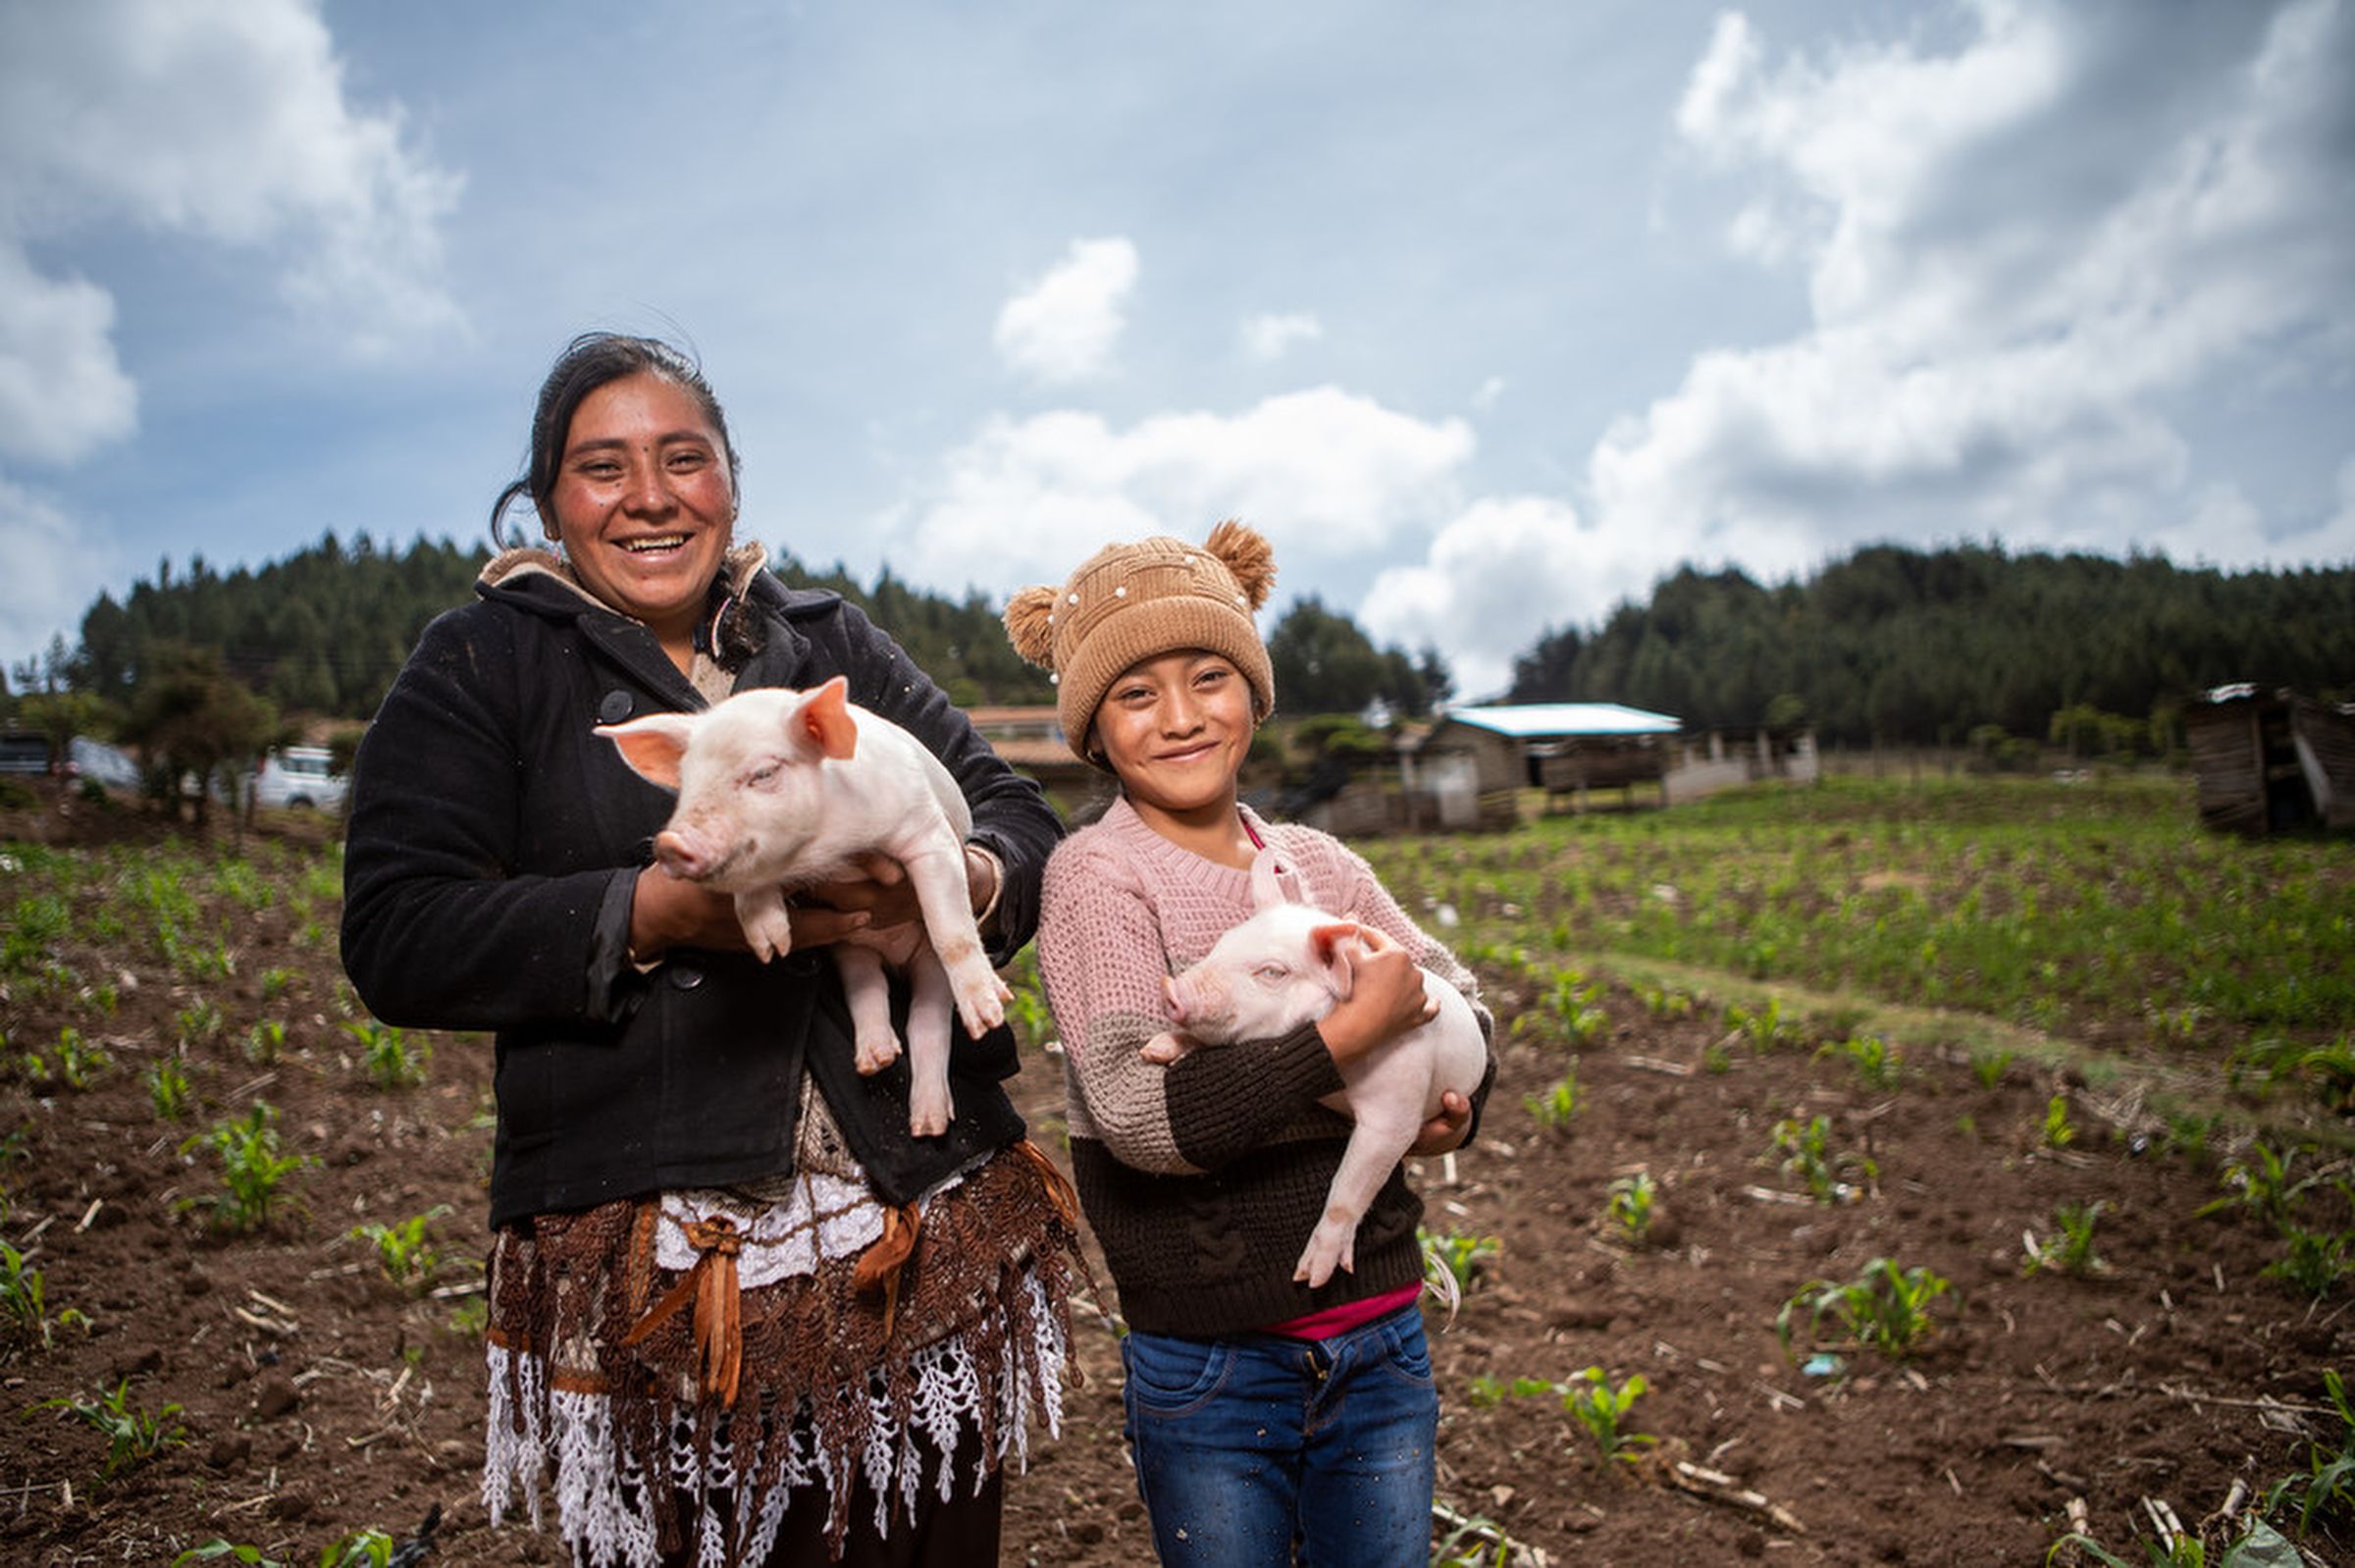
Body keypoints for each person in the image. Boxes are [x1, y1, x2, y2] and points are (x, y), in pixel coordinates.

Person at [340, 333, 1085, 1567]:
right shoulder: (485, 661)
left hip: (906, 1195)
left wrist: (957, 886)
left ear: (729, 483)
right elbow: (396, 929)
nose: (649, 495)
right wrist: (645, 912)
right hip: (663, 1229)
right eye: (602, 467)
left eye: (683, 459)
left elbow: (1011, 811)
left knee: (932, 1539)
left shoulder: (823, 643)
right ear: (547, 501)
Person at [1002, 522, 1496, 1566]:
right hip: (1212, 1356)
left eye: (1209, 677)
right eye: (1136, 694)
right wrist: (1349, 1039)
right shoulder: (1098, 879)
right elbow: (1142, 1119)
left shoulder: (1318, 863)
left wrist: (1449, 1108)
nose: (1181, 717)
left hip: (1380, 1327)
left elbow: (1452, 995)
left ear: (1255, 694)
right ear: (1095, 730)